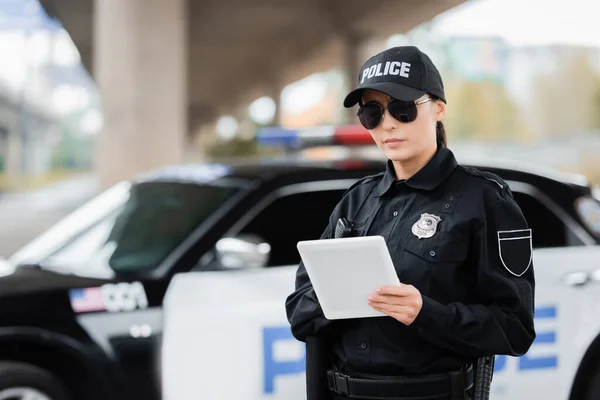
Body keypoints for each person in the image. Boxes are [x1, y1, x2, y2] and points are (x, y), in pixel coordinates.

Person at [285, 46, 536, 400]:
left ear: (439, 108)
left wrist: (425, 313)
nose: (387, 124)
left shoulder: (484, 199)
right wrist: (335, 299)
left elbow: (515, 328)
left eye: (402, 109)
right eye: (372, 112)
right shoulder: (355, 202)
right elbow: (298, 310)